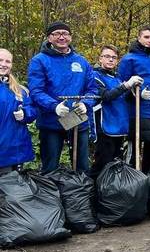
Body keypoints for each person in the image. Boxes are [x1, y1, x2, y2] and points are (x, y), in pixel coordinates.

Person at [27, 21, 97, 173]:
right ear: (49, 38)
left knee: (82, 165)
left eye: (65, 33)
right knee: (50, 165)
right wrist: (54, 106)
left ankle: (81, 193)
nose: (61, 37)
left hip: (77, 119)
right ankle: (49, 194)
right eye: (56, 34)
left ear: (70, 37)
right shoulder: (39, 61)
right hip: (51, 121)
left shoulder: (81, 61)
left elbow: (92, 89)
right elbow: (36, 91)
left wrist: (86, 103)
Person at [118, 26, 150, 173]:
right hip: (136, 113)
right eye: (146, 37)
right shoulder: (129, 59)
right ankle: (131, 183)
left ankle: (146, 179)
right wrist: (136, 95)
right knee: (133, 151)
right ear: (139, 38)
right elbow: (119, 87)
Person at [92, 45, 142, 175]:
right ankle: (96, 192)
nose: (110, 60)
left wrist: (137, 92)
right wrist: (126, 85)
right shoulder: (95, 77)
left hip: (120, 127)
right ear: (100, 58)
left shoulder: (117, 78)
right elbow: (106, 96)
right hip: (105, 126)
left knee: (116, 163)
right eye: (107, 56)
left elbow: (125, 98)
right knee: (103, 163)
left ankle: (112, 191)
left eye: (114, 57)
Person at [0, 48, 37, 174]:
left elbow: (32, 109)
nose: (4, 64)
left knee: (12, 190)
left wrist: (25, 114)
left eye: (8, 61)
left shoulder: (20, 90)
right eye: (0, 60)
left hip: (14, 151)